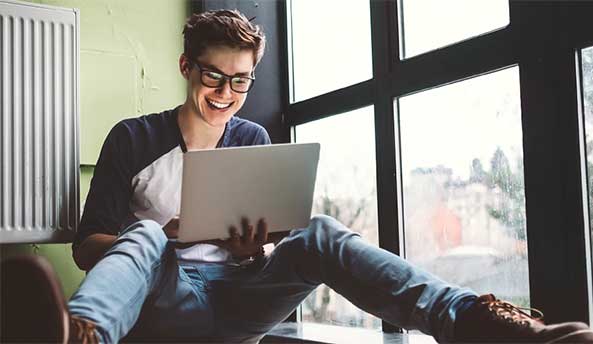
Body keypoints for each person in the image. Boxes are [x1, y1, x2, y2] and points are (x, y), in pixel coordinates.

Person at [2, 9, 593, 344]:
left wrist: (254, 251)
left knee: (322, 232)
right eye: (213, 78)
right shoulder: (134, 138)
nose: (226, 95)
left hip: (239, 303)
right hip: (165, 300)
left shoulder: (253, 140)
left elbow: (274, 258)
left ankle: (470, 321)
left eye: (241, 82)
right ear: (186, 67)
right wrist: (168, 237)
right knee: (149, 236)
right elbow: (85, 248)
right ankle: (81, 334)